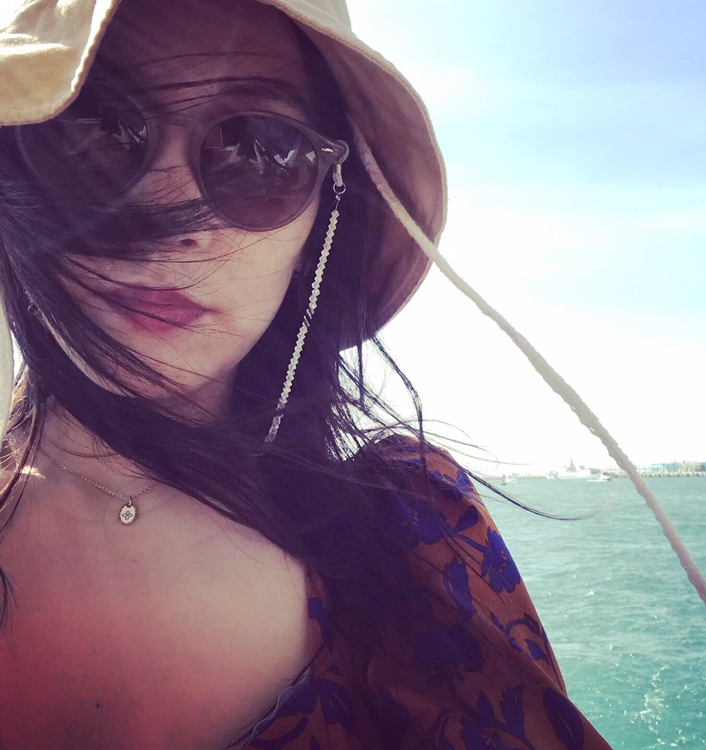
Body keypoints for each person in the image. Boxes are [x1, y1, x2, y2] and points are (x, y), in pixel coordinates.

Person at [0, 0, 614, 747]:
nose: (174, 213)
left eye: (265, 151)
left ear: (321, 219)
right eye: (96, 130)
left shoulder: (410, 541)